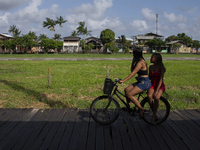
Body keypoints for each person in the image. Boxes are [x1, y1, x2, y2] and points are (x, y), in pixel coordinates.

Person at [119, 48, 151, 119]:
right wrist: (133, 62)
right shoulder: (138, 61)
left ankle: (140, 108)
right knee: (126, 89)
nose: (132, 55)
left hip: (144, 82)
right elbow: (132, 70)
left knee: (129, 95)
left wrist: (123, 80)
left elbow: (133, 73)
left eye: (133, 54)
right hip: (140, 81)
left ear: (135, 54)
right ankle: (128, 107)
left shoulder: (141, 62)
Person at [147, 53, 166, 123]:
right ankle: (154, 113)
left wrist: (157, 90)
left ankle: (154, 116)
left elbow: (161, 79)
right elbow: (149, 77)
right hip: (152, 84)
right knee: (149, 97)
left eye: (152, 57)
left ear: (156, 59)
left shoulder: (161, 67)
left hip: (160, 85)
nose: (150, 58)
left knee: (156, 97)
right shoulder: (150, 67)